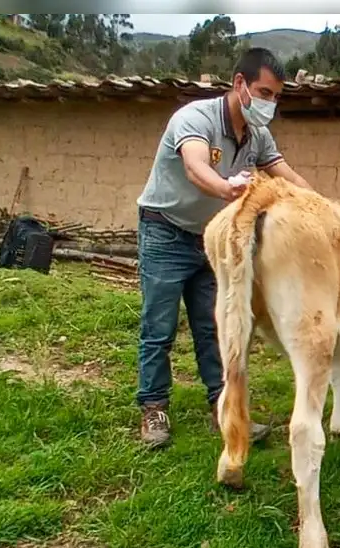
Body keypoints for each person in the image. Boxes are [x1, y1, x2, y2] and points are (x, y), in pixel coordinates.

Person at [134, 47, 314, 448]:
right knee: (159, 327)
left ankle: (225, 407)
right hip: (165, 232)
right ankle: (153, 408)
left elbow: (286, 175)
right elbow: (195, 166)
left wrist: (323, 208)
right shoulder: (195, 118)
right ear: (239, 84)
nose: (269, 103)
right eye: (264, 93)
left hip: (212, 240)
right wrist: (225, 187)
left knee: (215, 325)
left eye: (276, 97)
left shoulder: (257, 135)